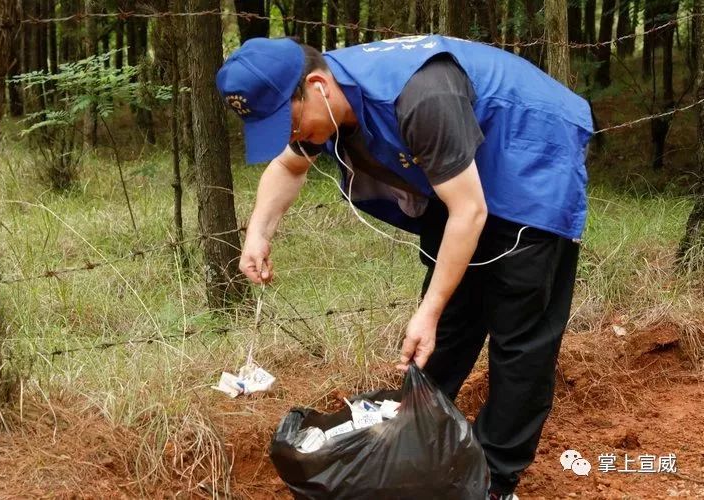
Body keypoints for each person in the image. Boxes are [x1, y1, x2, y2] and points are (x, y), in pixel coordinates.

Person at [216, 35, 593, 500]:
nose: (291, 137)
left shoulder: (419, 97)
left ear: (317, 86)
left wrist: (429, 309)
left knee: (520, 333)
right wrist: (258, 233)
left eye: (288, 123)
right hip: (458, 175)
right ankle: (418, 444)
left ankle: (494, 480)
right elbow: (288, 168)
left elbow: (470, 212)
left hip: (530, 148)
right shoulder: (326, 103)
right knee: (451, 321)